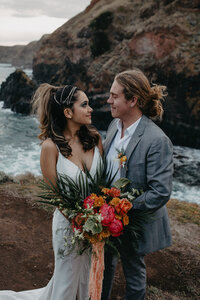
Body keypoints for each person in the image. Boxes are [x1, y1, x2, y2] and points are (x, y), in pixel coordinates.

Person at [0, 84, 103, 300]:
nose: (91, 109)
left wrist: (100, 219)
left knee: (87, 278)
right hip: (68, 227)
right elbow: (55, 196)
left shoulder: (94, 139)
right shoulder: (50, 147)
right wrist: (81, 221)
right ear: (68, 112)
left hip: (97, 226)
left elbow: (102, 186)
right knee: (66, 283)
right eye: (84, 104)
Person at [101, 69, 173, 300]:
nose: (109, 100)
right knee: (104, 268)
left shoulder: (157, 139)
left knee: (133, 275)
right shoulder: (113, 126)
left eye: (114, 96)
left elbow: (160, 192)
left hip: (134, 221)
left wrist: (123, 209)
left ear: (133, 100)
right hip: (106, 216)